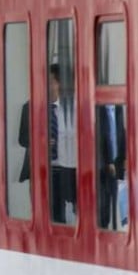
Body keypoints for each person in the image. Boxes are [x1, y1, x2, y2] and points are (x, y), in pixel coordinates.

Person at [49, 64, 77, 224]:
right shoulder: (35, 107)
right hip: (47, 170)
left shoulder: (72, 108)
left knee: (69, 215)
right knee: (52, 218)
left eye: (51, 81)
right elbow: (24, 138)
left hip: (68, 168)